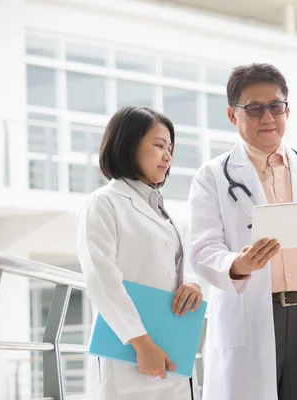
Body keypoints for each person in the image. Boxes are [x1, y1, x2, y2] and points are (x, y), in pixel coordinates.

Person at [188, 63, 297, 400]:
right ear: (232, 114)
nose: (267, 117)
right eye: (253, 108)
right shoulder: (212, 177)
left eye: (275, 107)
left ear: (287, 111)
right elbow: (203, 250)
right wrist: (238, 264)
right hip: (251, 314)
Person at [76, 106, 204, 400]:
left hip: (172, 343)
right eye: (159, 145)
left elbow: (184, 263)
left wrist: (193, 283)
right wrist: (142, 343)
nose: (168, 156)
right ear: (128, 144)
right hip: (129, 349)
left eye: (170, 148)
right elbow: (101, 278)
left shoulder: (166, 211)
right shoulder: (103, 203)